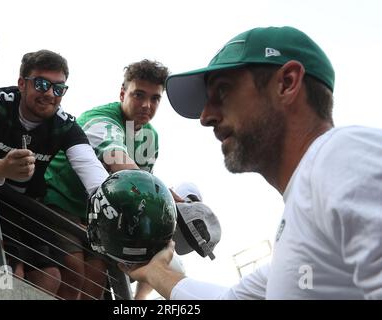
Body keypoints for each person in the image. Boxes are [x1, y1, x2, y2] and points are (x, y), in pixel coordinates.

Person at [121, 26, 382, 299]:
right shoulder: (299, 226)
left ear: (287, 83)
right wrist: (155, 272)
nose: (205, 117)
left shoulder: (342, 153)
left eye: (222, 91)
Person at [0, 49, 108, 296]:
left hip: (25, 206)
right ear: (22, 83)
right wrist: (0, 168)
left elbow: (92, 172)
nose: (50, 94)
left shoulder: (66, 124)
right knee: (10, 271)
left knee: (52, 277)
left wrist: (118, 203)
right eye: (41, 84)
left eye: (59, 88)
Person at [43, 59, 169, 299]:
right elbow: (122, 166)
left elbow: (143, 190)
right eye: (139, 95)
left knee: (96, 278)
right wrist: (169, 200)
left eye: (155, 98)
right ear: (123, 93)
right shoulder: (100, 118)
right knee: (73, 271)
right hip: (62, 200)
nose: (146, 105)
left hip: (99, 216)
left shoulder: (152, 137)